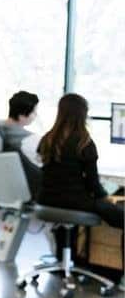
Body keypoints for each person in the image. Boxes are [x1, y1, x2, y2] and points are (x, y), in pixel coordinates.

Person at [37, 93, 123, 288]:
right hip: (74, 202)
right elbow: (93, 184)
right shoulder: (85, 143)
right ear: (83, 115)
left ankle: (68, 262)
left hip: (45, 202)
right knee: (116, 213)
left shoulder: (47, 140)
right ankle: (115, 273)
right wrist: (106, 197)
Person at [0, 90, 43, 197]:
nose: (35, 116)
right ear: (22, 116)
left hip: (0, 186)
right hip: (25, 189)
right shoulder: (30, 140)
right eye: (34, 112)